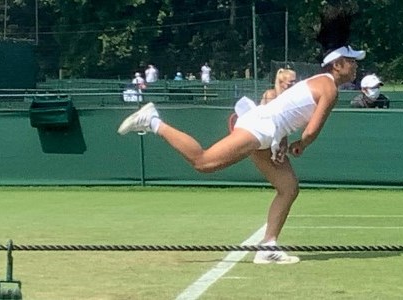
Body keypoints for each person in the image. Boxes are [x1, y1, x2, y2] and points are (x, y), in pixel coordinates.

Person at [117, 6, 365, 264]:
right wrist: (300, 144)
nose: (357, 66)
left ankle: (268, 247)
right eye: (353, 62)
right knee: (204, 162)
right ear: (338, 65)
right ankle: (153, 120)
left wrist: (281, 141)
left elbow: (285, 111)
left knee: (288, 187)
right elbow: (311, 129)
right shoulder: (329, 88)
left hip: (268, 131)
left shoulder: (321, 82)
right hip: (261, 127)